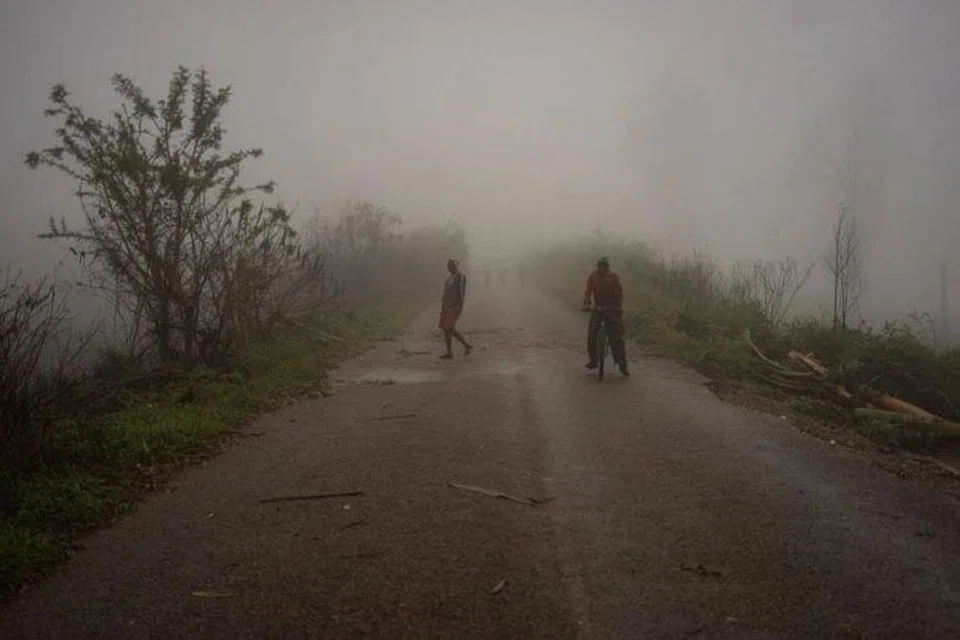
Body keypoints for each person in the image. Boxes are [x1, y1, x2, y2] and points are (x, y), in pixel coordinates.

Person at [582, 257, 629, 375]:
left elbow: (619, 293)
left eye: (604, 265)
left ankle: (622, 365)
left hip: (612, 308)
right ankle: (594, 360)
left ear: (607, 266)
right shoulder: (593, 276)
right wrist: (587, 304)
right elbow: (588, 292)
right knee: (592, 334)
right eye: (600, 265)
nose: (601, 268)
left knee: (617, 337)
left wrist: (619, 307)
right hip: (598, 307)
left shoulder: (614, 277)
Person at [438, 258, 473, 359]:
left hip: (454, 307)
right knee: (446, 329)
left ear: (455, 266)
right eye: (448, 266)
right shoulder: (449, 278)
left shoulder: (460, 276)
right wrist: (443, 307)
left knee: (449, 327)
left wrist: (458, 306)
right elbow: (446, 293)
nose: (449, 268)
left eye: (451, 265)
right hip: (447, 306)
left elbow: (461, 292)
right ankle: (450, 352)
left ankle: (466, 345)